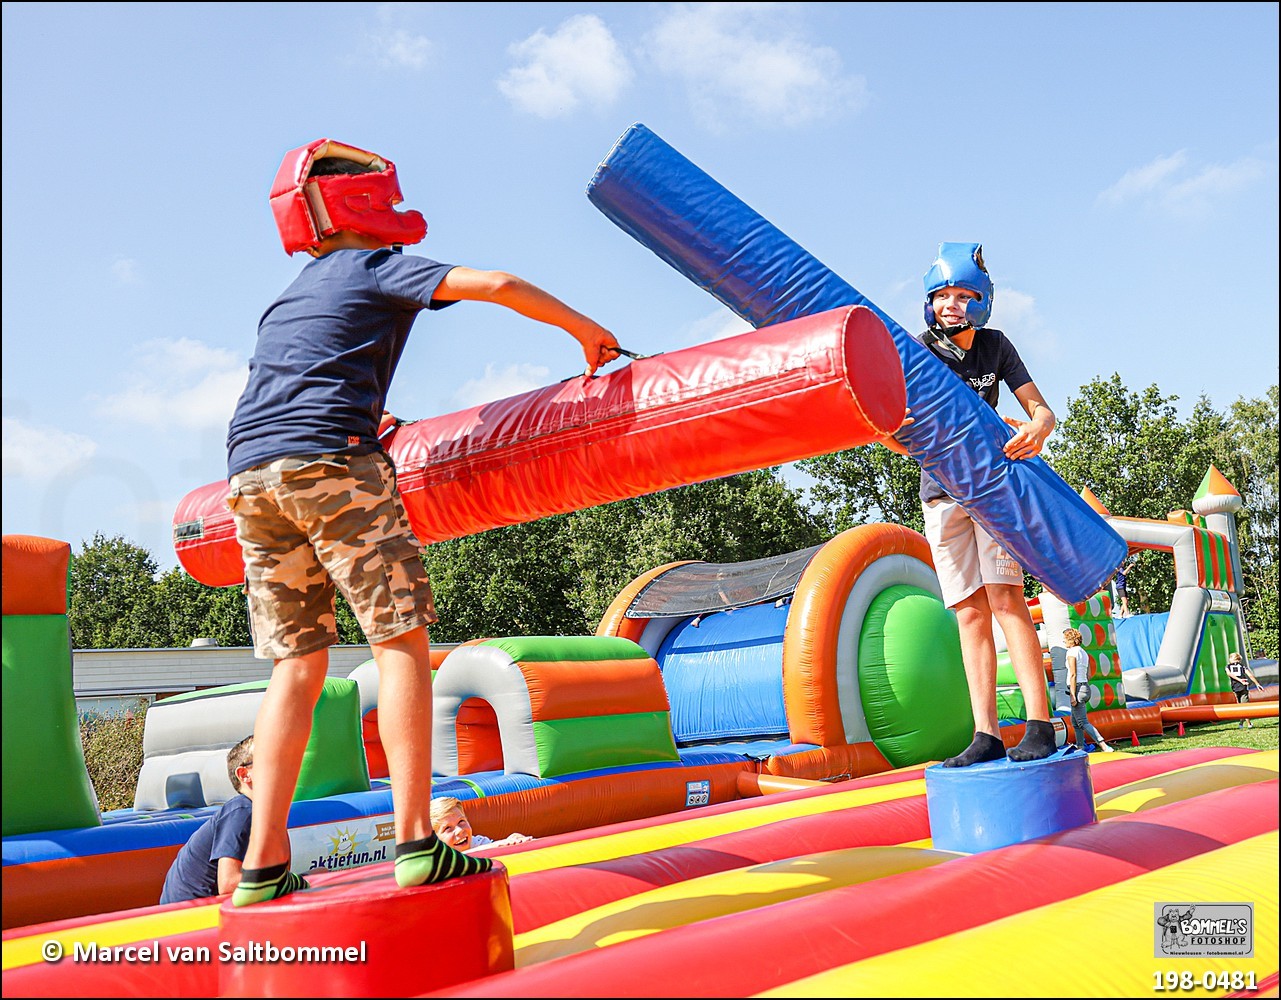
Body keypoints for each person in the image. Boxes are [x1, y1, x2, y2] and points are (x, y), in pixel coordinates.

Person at [224, 138, 621, 906]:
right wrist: (585, 330)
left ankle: (263, 865)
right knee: (398, 640)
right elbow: (496, 283)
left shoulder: (290, 294)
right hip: (331, 463)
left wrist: (371, 414)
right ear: (366, 205)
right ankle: (417, 841)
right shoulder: (372, 266)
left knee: (296, 668)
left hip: (249, 475)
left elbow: (305, 373)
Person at [879, 243, 1058, 767]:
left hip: (994, 489)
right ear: (928, 301)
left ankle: (1040, 725)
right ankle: (985, 734)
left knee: (1006, 600)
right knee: (968, 615)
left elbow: (1040, 410)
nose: (951, 305)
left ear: (983, 300)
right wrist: (917, 446)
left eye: (964, 295)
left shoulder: (997, 347)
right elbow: (888, 425)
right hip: (939, 495)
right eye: (942, 295)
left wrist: (1039, 428)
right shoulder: (916, 350)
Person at [159, 736, 256, 903]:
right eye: (270, 758)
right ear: (244, 774)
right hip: (190, 918)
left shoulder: (259, 812)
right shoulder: (242, 810)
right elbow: (229, 884)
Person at [1064, 628, 1113, 752]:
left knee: (1083, 721)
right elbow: (1089, 674)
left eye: (1065, 639)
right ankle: (1080, 746)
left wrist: (1073, 695)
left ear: (1071, 640)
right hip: (1085, 688)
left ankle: (1103, 745)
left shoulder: (1071, 653)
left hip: (1077, 689)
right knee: (1075, 722)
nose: (1064, 641)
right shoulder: (1084, 653)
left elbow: (1073, 675)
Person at [430, 796, 533, 852]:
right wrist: (494, 846)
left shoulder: (476, 842)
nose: (460, 830)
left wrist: (511, 842)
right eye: (448, 828)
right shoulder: (433, 855)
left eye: (461, 821)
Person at [1226, 651, 1264, 728]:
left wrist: (1239, 681)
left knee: (1240, 706)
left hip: (1235, 687)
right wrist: (1257, 684)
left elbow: (1229, 674)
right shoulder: (1242, 666)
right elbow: (1250, 675)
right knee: (1245, 706)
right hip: (1242, 687)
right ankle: (1246, 723)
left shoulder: (1228, 666)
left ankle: (1243, 723)